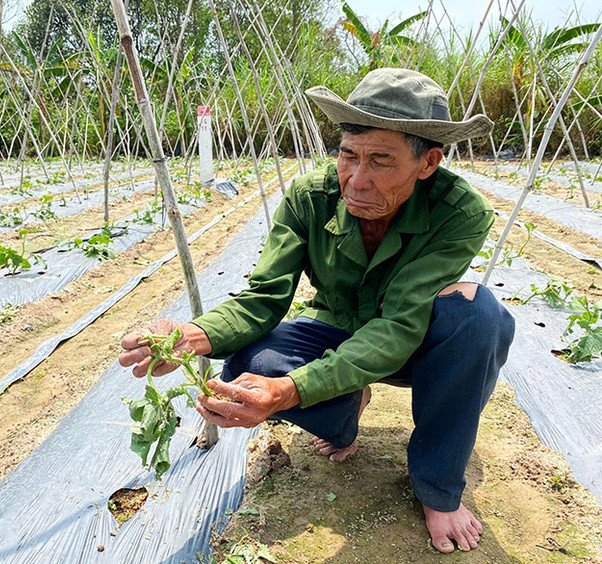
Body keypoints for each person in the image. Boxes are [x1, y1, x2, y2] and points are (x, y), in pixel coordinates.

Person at [119, 68, 515, 554]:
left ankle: (438, 487)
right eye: (348, 155)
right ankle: (346, 412)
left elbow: (396, 326)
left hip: (416, 345)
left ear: (428, 162)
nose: (357, 179)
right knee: (247, 366)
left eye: (381, 161)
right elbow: (265, 297)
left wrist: (290, 391)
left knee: (480, 316)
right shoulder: (310, 196)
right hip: (336, 331)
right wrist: (192, 334)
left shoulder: (459, 212)